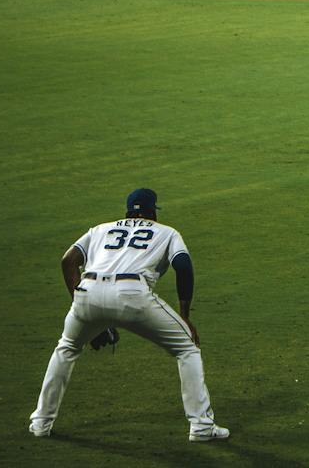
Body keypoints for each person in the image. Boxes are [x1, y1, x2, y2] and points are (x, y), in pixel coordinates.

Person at [29, 186, 229, 443]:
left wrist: (83, 308)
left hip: (87, 291)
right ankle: (201, 426)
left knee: (66, 348)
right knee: (187, 348)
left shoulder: (100, 229)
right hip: (131, 294)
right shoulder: (166, 232)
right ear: (152, 213)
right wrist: (185, 316)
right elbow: (183, 266)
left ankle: (40, 423)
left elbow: (68, 260)